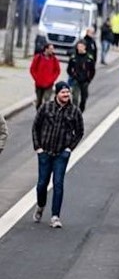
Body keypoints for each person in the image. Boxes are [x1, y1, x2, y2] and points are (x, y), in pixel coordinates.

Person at [32, 81, 84, 228]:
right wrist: (38, 148)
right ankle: (40, 206)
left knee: (58, 183)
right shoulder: (46, 107)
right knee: (42, 184)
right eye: (63, 92)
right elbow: (36, 127)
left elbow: (80, 132)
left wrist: (69, 148)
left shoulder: (74, 111)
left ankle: (55, 216)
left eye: (68, 92)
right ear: (57, 93)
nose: (66, 94)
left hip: (61, 154)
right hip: (45, 153)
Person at [66, 41, 96, 112]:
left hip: (85, 80)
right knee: (75, 97)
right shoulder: (73, 57)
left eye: (81, 46)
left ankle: (81, 109)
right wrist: (72, 75)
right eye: (78, 46)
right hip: (76, 80)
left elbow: (92, 70)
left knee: (84, 97)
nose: (80, 48)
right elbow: (69, 69)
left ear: (85, 47)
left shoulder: (89, 57)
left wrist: (89, 79)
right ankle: (74, 112)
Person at [30, 43, 61, 110]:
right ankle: (39, 113)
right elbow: (32, 69)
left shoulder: (54, 59)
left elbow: (57, 71)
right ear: (46, 49)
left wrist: (52, 79)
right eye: (50, 49)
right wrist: (36, 78)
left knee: (47, 99)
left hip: (49, 84)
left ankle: (45, 114)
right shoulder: (38, 58)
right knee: (39, 100)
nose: (52, 51)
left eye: (53, 49)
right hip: (39, 83)